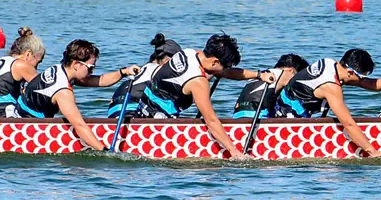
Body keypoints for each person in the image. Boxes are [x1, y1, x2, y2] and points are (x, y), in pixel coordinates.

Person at [114, 33, 272, 160]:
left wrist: (258, 75)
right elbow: (211, 121)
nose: (225, 70)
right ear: (215, 62)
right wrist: (233, 151)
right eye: (225, 66)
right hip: (155, 129)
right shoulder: (198, 82)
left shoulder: (190, 53)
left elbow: (225, 73)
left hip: (139, 115)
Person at [243, 49, 381, 157]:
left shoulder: (329, 63)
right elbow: (348, 124)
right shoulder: (330, 86)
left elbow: (367, 83)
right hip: (286, 126)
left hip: (282, 111)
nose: (362, 80)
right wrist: (372, 151)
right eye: (361, 76)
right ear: (350, 72)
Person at [12, 39, 145, 151]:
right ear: (76, 64)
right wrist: (104, 151)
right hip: (24, 130)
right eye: (90, 68)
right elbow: (79, 126)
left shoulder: (60, 69)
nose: (92, 71)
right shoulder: (62, 91)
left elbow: (102, 80)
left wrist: (123, 72)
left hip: (19, 119)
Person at [0, 28, 45, 118]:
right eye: (38, 62)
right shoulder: (20, 65)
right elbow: (46, 89)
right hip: (4, 116)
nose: (36, 68)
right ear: (28, 54)